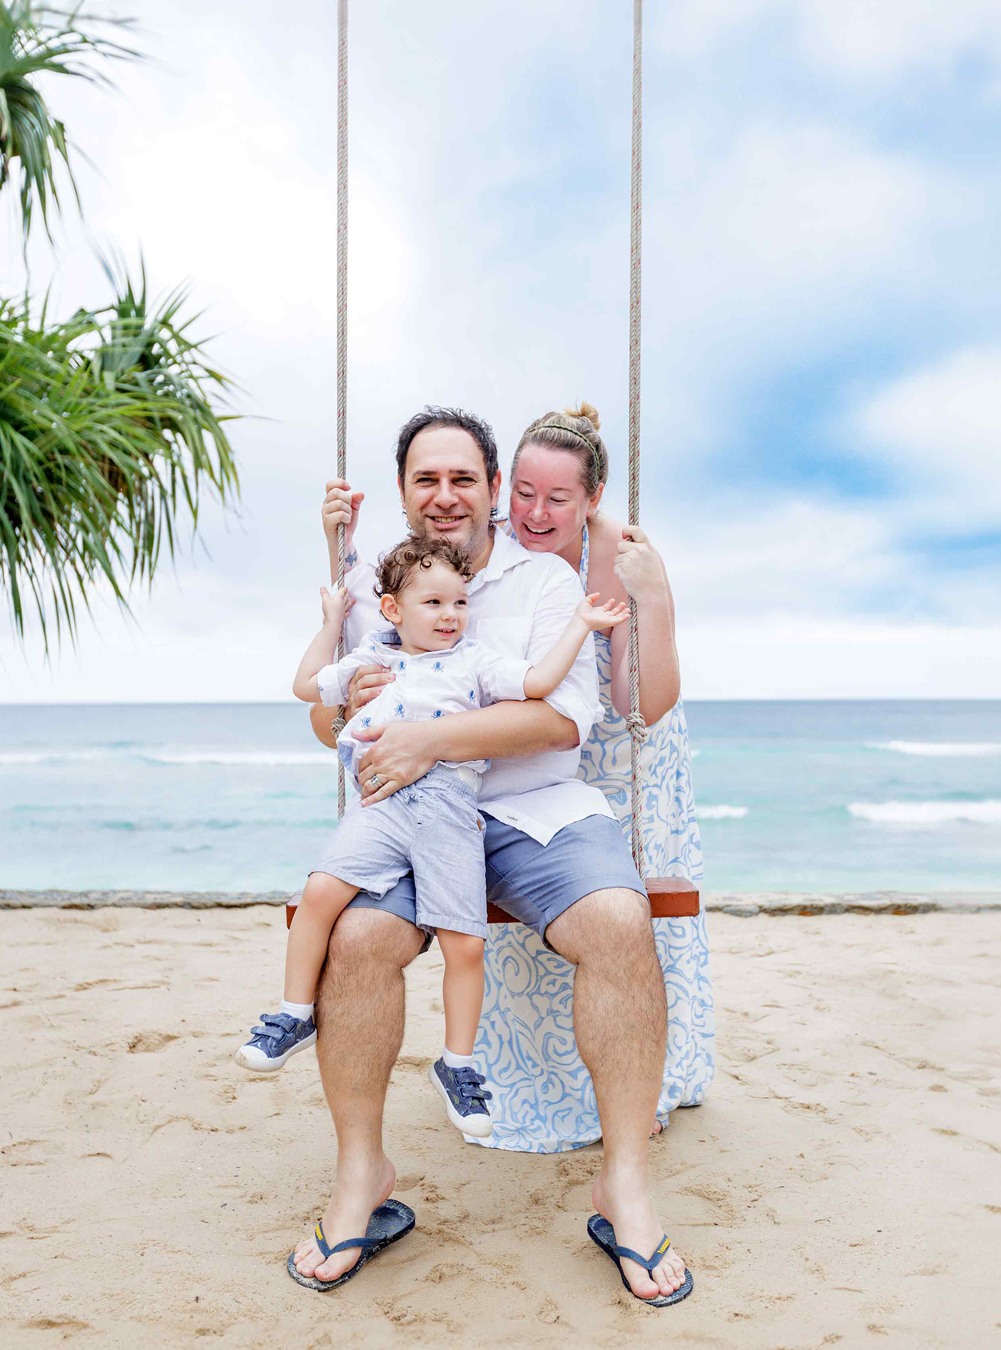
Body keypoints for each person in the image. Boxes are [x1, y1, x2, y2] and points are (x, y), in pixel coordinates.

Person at [286, 407, 692, 1306]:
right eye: (425, 479)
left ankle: (621, 1182)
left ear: (493, 490)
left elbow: (561, 718)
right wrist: (352, 696)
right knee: (354, 943)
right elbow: (328, 725)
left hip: (534, 808)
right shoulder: (379, 588)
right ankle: (364, 1175)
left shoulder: (544, 580)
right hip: (414, 815)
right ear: (402, 492)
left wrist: (431, 739)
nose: (444, 496)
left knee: (622, 921)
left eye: (462, 478)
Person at [238, 534, 629, 1147]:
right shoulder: (372, 658)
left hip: (448, 806)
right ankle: (293, 1012)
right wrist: (333, 620)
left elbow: (539, 683)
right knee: (319, 894)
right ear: (393, 610)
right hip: (383, 802)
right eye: (434, 603)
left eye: (460, 602)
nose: (451, 616)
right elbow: (307, 686)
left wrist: (581, 624)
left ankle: (458, 1061)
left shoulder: (475, 660)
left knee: (463, 945)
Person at [497, 403, 716, 1140]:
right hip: (544, 745)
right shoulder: (500, 552)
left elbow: (643, 701)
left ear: (590, 498)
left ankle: (640, 1081)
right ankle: (533, 1075)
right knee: (540, 924)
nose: (534, 512)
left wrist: (651, 596)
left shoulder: (622, 554)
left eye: (557, 498)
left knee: (627, 913)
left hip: (629, 753)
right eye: (522, 492)